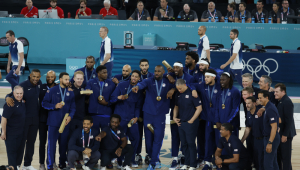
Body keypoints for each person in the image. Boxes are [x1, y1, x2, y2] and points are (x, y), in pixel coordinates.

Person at [132, 65, 176, 170]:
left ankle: (153, 162)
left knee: (158, 138)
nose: (156, 73)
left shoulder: (167, 81)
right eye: (155, 71)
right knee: (148, 139)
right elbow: (141, 84)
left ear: (163, 72)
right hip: (148, 113)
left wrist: (173, 89)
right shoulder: (149, 80)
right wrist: (137, 87)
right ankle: (153, 157)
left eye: (159, 71)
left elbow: (178, 83)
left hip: (160, 115)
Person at [42, 72, 76, 170]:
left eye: (68, 79)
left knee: (63, 145)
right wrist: (54, 106)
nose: (68, 81)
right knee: (51, 146)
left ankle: (62, 164)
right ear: (60, 79)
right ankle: (50, 166)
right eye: (65, 79)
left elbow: (73, 108)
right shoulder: (51, 91)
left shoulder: (70, 92)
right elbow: (44, 103)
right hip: (53, 123)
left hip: (65, 123)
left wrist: (70, 117)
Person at [110, 70, 143, 167]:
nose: (134, 78)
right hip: (120, 119)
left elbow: (138, 106)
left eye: (136, 77)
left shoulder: (139, 90)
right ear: (130, 76)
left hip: (132, 119)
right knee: (120, 139)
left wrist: (136, 117)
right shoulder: (121, 85)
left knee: (135, 139)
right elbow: (112, 98)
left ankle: (131, 159)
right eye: (133, 76)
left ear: (139, 79)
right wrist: (118, 98)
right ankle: (119, 160)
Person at [167, 62, 195, 169]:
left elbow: (191, 87)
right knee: (174, 135)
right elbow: (164, 75)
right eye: (173, 67)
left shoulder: (190, 78)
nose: (175, 69)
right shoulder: (171, 76)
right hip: (174, 110)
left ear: (182, 68)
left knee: (186, 138)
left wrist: (174, 88)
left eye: (177, 67)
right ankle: (175, 158)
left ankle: (184, 157)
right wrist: (168, 75)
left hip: (187, 112)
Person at [192, 69, 222, 170]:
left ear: (214, 77)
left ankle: (217, 161)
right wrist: (193, 89)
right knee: (208, 140)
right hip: (208, 119)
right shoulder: (202, 86)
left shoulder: (219, 86)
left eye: (208, 77)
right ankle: (208, 161)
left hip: (218, 119)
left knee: (218, 141)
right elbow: (191, 84)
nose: (205, 79)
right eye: (205, 77)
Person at [173, 79, 202, 170]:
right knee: (184, 144)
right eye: (178, 89)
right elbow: (176, 106)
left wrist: (192, 120)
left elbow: (199, 108)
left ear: (185, 85)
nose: (179, 90)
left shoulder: (193, 93)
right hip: (181, 123)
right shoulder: (178, 94)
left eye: (180, 88)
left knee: (191, 143)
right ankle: (186, 163)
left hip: (191, 123)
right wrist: (174, 117)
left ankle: (193, 165)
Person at [1, 86, 26, 170]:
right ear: (13, 93)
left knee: (20, 152)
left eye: (21, 93)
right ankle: (13, 167)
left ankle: (16, 167)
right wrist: (3, 133)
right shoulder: (10, 103)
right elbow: (4, 119)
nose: (19, 95)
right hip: (11, 133)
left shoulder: (22, 101)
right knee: (12, 154)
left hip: (20, 132)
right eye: (17, 93)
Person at [86, 65, 116, 130]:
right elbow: (87, 90)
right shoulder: (91, 82)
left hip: (107, 114)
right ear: (98, 74)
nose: (106, 74)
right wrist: (87, 92)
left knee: (106, 137)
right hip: (93, 114)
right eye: (104, 73)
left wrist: (107, 103)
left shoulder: (111, 84)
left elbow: (114, 98)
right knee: (94, 137)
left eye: (106, 72)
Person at [274, 83, 296, 170]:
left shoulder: (287, 102)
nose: (275, 93)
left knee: (285, 158)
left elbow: (289, 120)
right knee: (279, 156)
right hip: (281, 133)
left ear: (283, 92)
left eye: (277, 92)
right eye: (274, 91)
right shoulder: (281, 100)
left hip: (285, 135)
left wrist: (284, 135)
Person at [38, 70, 57, 170]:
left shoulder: (58, 87)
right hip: (42, 119)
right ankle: (41, 163)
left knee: (52, 143)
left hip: (54, 119)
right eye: (48, 77)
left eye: (52, 77)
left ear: (55, 77)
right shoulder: (41, 87)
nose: (50, 78)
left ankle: (52, 161)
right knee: (42, 142)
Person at [136, 59, 153, 165]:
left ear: (148, 65)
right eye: (142, 65)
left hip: (149, 110)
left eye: (146, 65)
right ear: (139, 66)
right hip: (137, 109)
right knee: (137, 134)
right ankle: (137, 154)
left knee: (149, 134)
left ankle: (149, 154)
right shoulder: (135, 76)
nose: (144, 67)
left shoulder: (153, 76)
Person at [258, 90, 280, 170]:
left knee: (267, 165)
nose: (259, 100)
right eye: (258, 98)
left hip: (271, 139)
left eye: (260, 98)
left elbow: (274, 127)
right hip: (270, 138)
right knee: (273, 163)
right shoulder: (268, 107)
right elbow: (278, 121)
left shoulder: (270, 108)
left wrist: (270, 142)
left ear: (266, 97)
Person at [240, 96, 264, 170]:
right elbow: (248, 128)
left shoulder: (261, 112)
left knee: (261, 160)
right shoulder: (248, 114)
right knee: (256, 159)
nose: (247, 105)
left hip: (263, 140)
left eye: (249, 103)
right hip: (254, 140)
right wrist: (242, 140)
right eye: (246, 103)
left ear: (254, 103)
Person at [215, 72, 241, 137]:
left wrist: (227, 122)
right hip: (220, 124)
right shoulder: (220, 91)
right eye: (220, 80)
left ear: (229, 79)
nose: (221, 82)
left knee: (231, 144)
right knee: (221, 143)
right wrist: (217, 121)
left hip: (231, 124)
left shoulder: (235, 91)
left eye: (224, 80)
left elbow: (236, 109)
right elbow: (217, 108)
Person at [69, 71, 87, 136]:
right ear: (74, 79)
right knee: (70, 138)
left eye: (81, 79)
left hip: (81, 118)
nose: (79, 80)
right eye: (78, 79)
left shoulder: (84, 86)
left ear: (83, 79)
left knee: (80, 138)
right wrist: (82, 92)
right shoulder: (69, 88)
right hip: (71, 118)